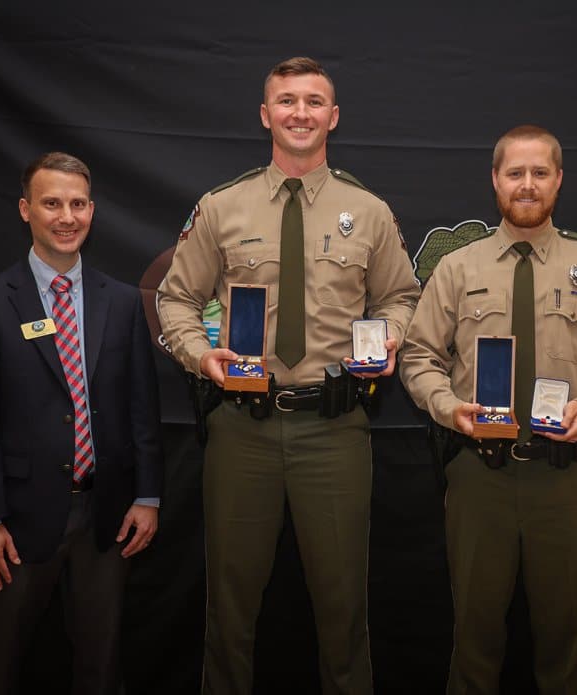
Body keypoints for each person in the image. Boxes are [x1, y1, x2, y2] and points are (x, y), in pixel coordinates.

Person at [156, 56, 419, 694]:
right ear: (265, 114)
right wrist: (200, 355)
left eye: (312, 101)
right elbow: (174, 301)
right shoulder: (222, 208)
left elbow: (402, 299)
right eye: (286, 101)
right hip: (241, 429)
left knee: (343, 610)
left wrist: (387, 337)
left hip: (333, 431)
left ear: (333, 116)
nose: (299, 112)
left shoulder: (370, 211)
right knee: (230, 611)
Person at [400, 125, 577, 694]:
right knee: (474, 644)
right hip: (479, 476)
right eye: (516, 173)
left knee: (566, 649)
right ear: (495, 181)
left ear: (560, 181)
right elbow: (417, 356)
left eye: (541, 173)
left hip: (566, 480)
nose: (528, 185)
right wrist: (447, 408)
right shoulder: (457, 269)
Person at [0, 152, 164, 695]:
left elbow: (143, 407)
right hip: (16, 524)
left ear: (92, 211)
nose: (66, 217)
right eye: (51, 203)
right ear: (26, 210)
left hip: (106, 517)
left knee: (101, 663)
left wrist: (148, 497)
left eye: (77, 204)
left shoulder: (121, 302)